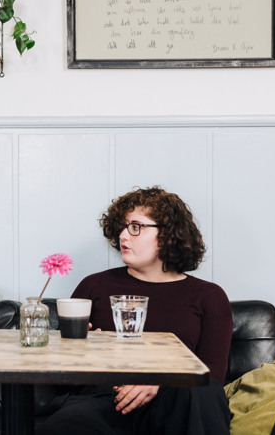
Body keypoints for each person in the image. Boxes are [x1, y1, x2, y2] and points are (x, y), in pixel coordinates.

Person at [38, 186, 232, 435]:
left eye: (136, 227)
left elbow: (212, 375)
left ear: (168, 234)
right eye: (122, 227)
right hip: (104, 401)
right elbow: (60, 373)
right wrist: (79, 350)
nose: (123, 236)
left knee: (201, 390)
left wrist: (160, 382)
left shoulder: (209, 296)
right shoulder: (94, 285)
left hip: (176, 401)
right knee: (63, 427)